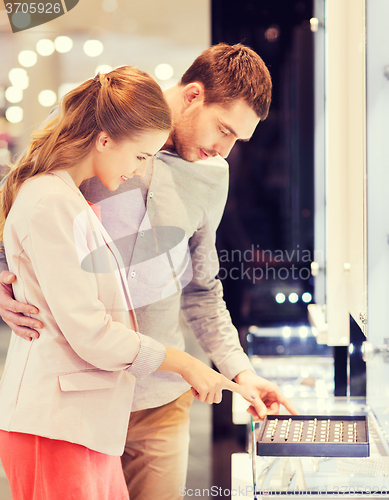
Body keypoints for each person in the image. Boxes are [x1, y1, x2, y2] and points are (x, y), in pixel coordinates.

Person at [0, 44, 297, 499]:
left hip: (160, 399)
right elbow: (19, 203)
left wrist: (241, 371)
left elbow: (202, 288)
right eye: (223, 130)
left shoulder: (213, 175)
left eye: (237, 139)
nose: (224, 150)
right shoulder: (107, 125)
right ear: (194, 95)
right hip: (77, 395)